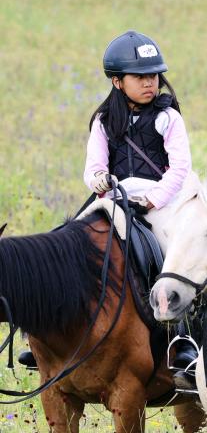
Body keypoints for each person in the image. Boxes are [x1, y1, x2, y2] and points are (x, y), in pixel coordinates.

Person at [19, 31, 197, 379]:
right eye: (140, 77)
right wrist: (99, 179)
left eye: (153, 75)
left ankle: (184, 338)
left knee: (178, 258)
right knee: (64, 242)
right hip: (116, 199)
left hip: (161, 200)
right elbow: (94, 167)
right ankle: (42, 334)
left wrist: (152, 199)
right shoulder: (103, 121)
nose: (150, 83)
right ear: (117, 82)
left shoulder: (168, 118)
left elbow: (180, 169)